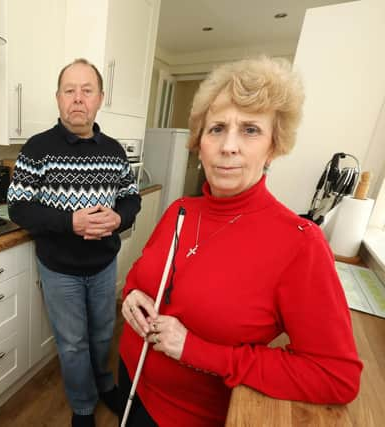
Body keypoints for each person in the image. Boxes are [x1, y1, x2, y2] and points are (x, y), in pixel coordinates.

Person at [118, 56, 363, 427]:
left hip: (186, 417)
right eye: (216, 128)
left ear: (273, 147)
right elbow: (143, 271)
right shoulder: (180, 210)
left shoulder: (300, 244)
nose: (228, 146)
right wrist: (133, 292)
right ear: (200, 143)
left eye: (249, 129)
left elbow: (334, 376)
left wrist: (194, 350)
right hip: (130, 381)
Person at [7, 58, 141, 427]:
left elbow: (131, 198)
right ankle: (83, 407)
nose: (78, 99)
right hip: (59, 269)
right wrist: (71, 222)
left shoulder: (114, 151)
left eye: (87, 90)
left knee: (101, 336)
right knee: (72, 344)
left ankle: (105, 384)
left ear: (100, 98)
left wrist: (119, 217)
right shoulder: (36, 148)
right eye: (70, 90)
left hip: (103, 265)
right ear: (58, 98)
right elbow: (18, 207)